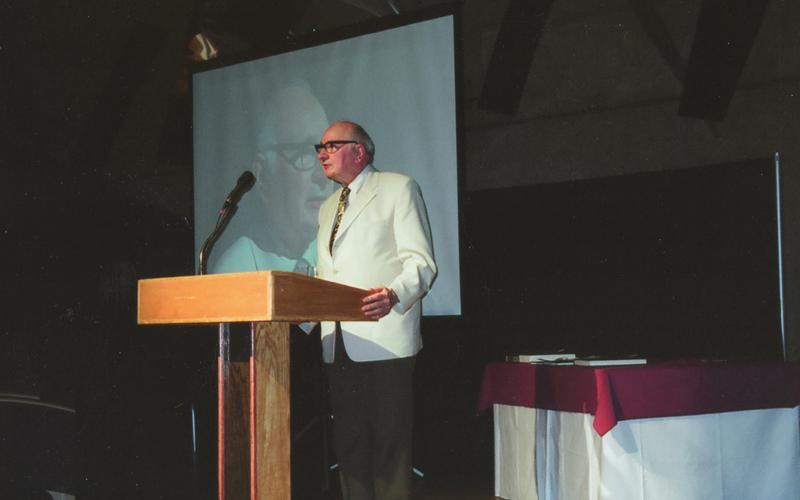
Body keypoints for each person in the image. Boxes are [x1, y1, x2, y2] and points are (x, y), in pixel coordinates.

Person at [314, 121, 437, 500]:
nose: (322, 154)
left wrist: (394, 294)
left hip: (384, 338)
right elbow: (327, 272)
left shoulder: (398, 188)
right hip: (338, 341)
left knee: (389, 448)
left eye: (331, 146)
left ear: (359, 151)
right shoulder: (327, 207)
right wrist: (303, 311)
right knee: (349, 446)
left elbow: (421, 262)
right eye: (320, 147)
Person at [213, 83, 333, 274]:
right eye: (305, 153)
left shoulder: (345, 257)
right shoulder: (236, 271)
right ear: (263, 175)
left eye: (328, 152)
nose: (323, 174)